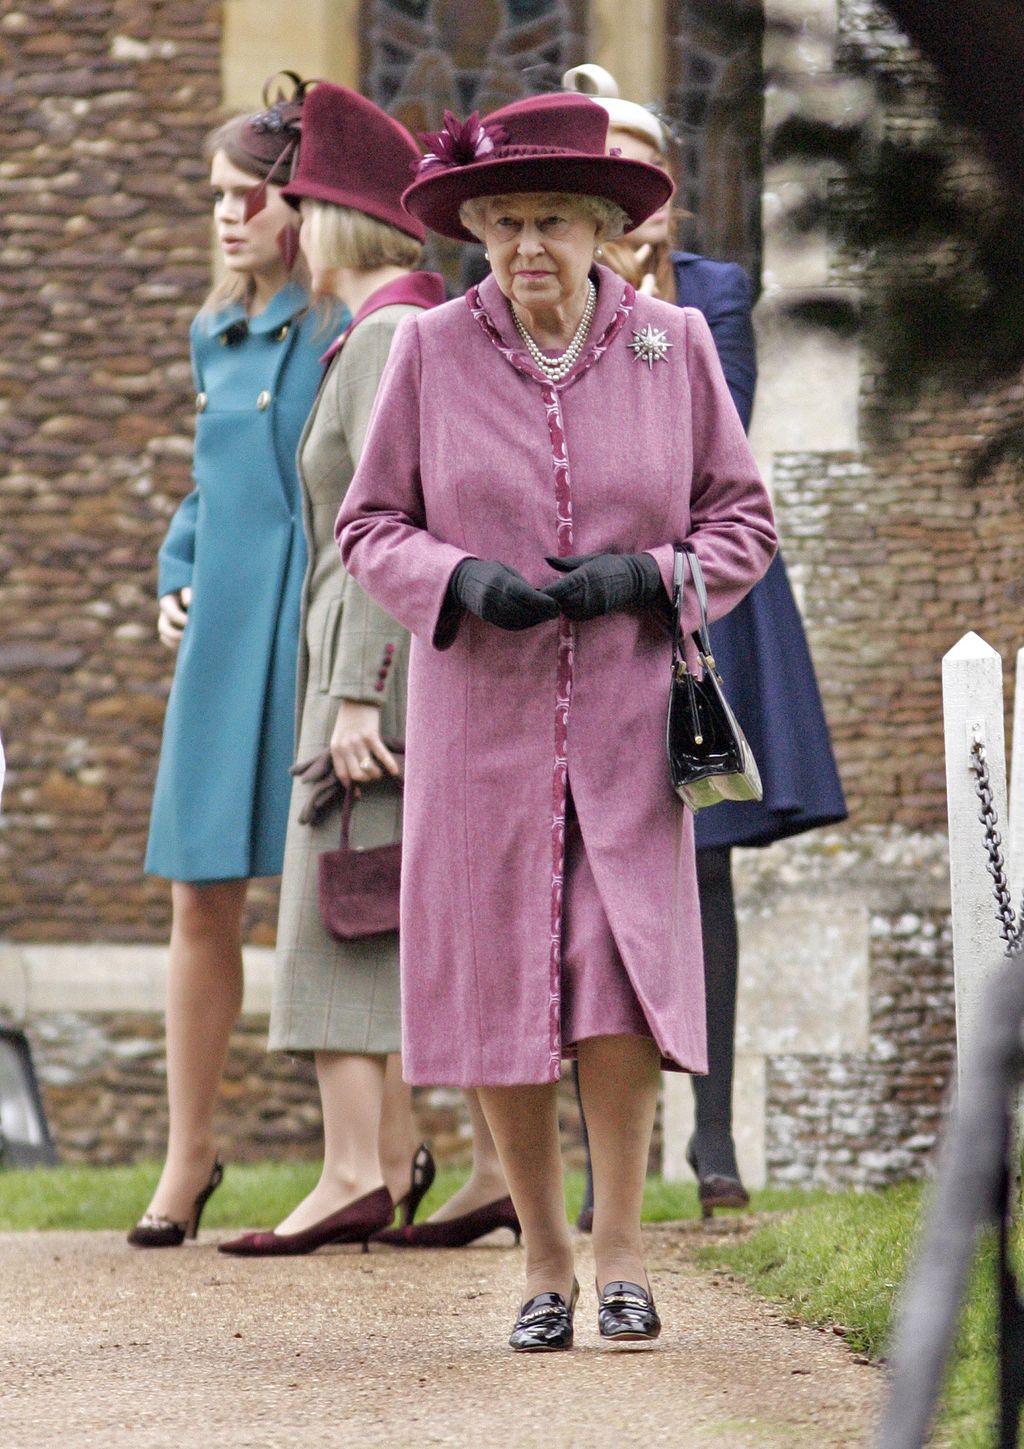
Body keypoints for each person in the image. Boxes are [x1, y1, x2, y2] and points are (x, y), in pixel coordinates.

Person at [337, 92, 777, 1349]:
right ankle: (540, 1259)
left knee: (612, 984)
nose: (526, 248)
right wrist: (453, 582)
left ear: (602, 228)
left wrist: (649, 577)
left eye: (551, 223)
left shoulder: (673, 345)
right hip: (481, 722)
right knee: (499, 986)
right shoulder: (426, 353)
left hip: (634, 720)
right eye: (503, 223)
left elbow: (740, 526)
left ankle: (625, 1250)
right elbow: (369, 527)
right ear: (476, 228)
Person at [563, 65, 848, 1223]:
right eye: (618, 167)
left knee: (707, 877)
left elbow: (700, 425)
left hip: (703, 611)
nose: (647, 192)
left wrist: (625, 300)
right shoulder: (535, 302)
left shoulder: (714, 295)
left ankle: (715, 1145)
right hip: (585, 605)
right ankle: (601, 1162)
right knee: (591, 888)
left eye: (653, 168)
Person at [216, 83, 451, 1256]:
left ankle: (353, 1171)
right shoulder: (393, 327)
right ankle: (377, 1163)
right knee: (365, 912)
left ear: (334, 218)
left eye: (298, 205)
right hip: (365, 668)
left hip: (371, 676)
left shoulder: (393, 333)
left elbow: (386, 527)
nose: (285, 230)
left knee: (336, 911)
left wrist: (355, 689)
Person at [130, 79, 337, 1247]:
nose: (227, 216)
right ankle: (188, 1155)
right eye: (216, 197)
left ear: (299, 207)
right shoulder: (212, 330)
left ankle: (372, 1148)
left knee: (342, 899)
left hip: (312, 633)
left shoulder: (341, 328)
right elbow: (212, 488)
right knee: (199, 893)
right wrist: (174, 569)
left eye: (248, 197)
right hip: (219, 641)